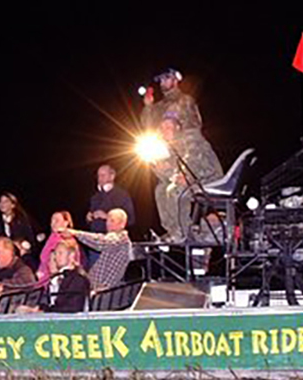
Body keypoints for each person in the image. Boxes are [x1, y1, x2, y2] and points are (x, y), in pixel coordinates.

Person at [142, 69, 223, 242]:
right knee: (161, 189)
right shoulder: (159, 109)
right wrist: (148, 107)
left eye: (166, 78)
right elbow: (148, 127)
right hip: (176, 156)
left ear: (176, 79)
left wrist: (184, 175)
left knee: (174, 190)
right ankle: (173, 231)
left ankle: (182, 232)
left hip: (201, 171)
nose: (163, 82)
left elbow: (194, 139)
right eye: (161, 79)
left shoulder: (185, 103)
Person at [60, 208, 132, 291]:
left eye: (112, 221)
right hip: (94, 288)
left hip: (102, 292)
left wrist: (75, 233)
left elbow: (101, 242)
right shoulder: (114, 240)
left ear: (122, 224)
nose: (108, 224)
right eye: (107, 220)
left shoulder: (121, 239)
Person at [19, 238, 91, 314]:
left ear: (71, 255)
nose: (56, 257)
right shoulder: (55, 279)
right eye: (56, 254)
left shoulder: (77, 280)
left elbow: (71, 308)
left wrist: (44, 311)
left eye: (60, 253)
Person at [85, 164, 136, 268]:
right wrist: (88, 218)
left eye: (103, 175)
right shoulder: (95, 197)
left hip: (113, 245)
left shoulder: (122, 195)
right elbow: (90, 222)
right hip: (95, 244)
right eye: (98, 176)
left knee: (113, 279)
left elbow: (131, 219)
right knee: (94, 278)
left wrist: (107, 216)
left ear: (112, 176)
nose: (100, 179)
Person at [0, 192, 38, 269]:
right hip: (5, 256)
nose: (2, 204)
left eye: (6, 201)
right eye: (1, 201)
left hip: (23, 255)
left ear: (13, 205)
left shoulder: (22, 220)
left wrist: (23, 245)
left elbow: (30, 240)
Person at [37, 211, 75, 282]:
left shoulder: (67, 241)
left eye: (56, 220)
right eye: (52, 221)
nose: (53, 223)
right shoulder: (51, 239)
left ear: (66, 223)